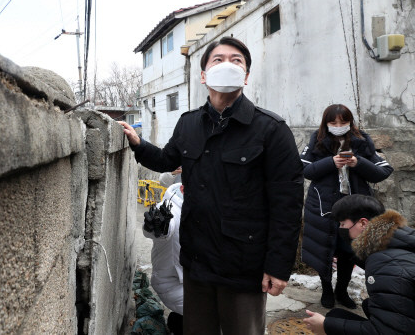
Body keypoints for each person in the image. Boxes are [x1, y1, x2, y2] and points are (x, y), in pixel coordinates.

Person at [119, 36, 304, 335]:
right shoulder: (189, 123)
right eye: (218, 60)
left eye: (236, 60)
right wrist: (139, 144)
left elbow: (288, 204)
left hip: (244, 264)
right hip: (197, 260)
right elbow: (167, 159)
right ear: (204, 74)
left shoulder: (270, 129)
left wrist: (279, 266)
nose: (227, 65)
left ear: (245, 75)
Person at [300, 104, 393, 309]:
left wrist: (357, 162)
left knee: (348, 251)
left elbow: (383, 172)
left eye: (343, 122)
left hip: (355, 210)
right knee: (325, 248)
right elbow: (304, 169)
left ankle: (341, 291)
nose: (339, 126)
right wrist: (330, 163)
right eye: (333, 122)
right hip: (324, 206)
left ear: (350, 121)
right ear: (326, 123)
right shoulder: (317, 140)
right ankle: (326, 291)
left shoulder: (362, 141)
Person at [303, 194, 415, 335]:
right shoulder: (402, 240)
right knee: (369, 305)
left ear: (363, 223)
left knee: (333, 318)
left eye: (343, 224)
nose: (340, 229)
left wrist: (326, 326)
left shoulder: (384, 264)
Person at [142, 182, 185, 335]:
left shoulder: (201, 204)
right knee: (213, 313)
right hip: (172, 284)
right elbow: (163, 229)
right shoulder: (171, 206)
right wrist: (156, 228)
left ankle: (177, 322)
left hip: (190, 282)